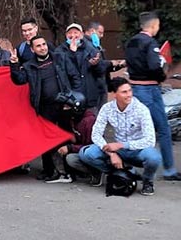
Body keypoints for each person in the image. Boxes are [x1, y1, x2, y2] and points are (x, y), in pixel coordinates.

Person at [9, 35, 82, 182]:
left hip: (65, 105)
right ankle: (49, 170)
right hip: (44, 108)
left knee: (66, 137)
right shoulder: (29, 65)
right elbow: (19, 80)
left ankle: (69, 171)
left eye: (44, 44)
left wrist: (74, 99)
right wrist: (15, 64)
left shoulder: (60, 58)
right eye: (38, 46)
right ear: (32, 49)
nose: (42, 48)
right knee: (46, 140)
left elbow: (75, 77)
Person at [79, 78, 162, 196]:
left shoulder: (141, 110)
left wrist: (122, 145)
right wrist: (112, 153)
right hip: (118, 151)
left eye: (129, 91)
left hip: (138, 151)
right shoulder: (107, 108)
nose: (129, 95)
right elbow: (96, 134)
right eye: (124, 92)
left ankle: (147, 181)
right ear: (114, 94)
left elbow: (150, 140)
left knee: (154, 157)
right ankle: (119, 172)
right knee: (86, 153)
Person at [125, 11, 181, 181]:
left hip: (134, 88)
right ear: (154, 26)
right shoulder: (150, 42)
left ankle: (131, 169)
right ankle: (169, 170)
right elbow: (154, 66)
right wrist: (163, 76)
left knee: (135, 129)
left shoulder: (131, 42)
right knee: (163, 129)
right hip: (150, 90)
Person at [55, 23, 105, 111]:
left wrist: (95, 65)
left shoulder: (91, 49)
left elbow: (101, 71)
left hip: (90, 96)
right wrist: (72, 53)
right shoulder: (60, 51)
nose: (73, 35)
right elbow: (63, 72)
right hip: (71, 98)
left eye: (76, 32)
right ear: (66, 35)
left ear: (81, 35)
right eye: (70, 33)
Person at [84, 21, 125, 108]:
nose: (102, 36)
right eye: (100, 33)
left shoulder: (95, 45)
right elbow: (98, 65)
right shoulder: (87, 45)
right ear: (92, 31)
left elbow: (103, 65)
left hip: (101, 84)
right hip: (95, 86)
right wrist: (110, 63)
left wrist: (117, 65)